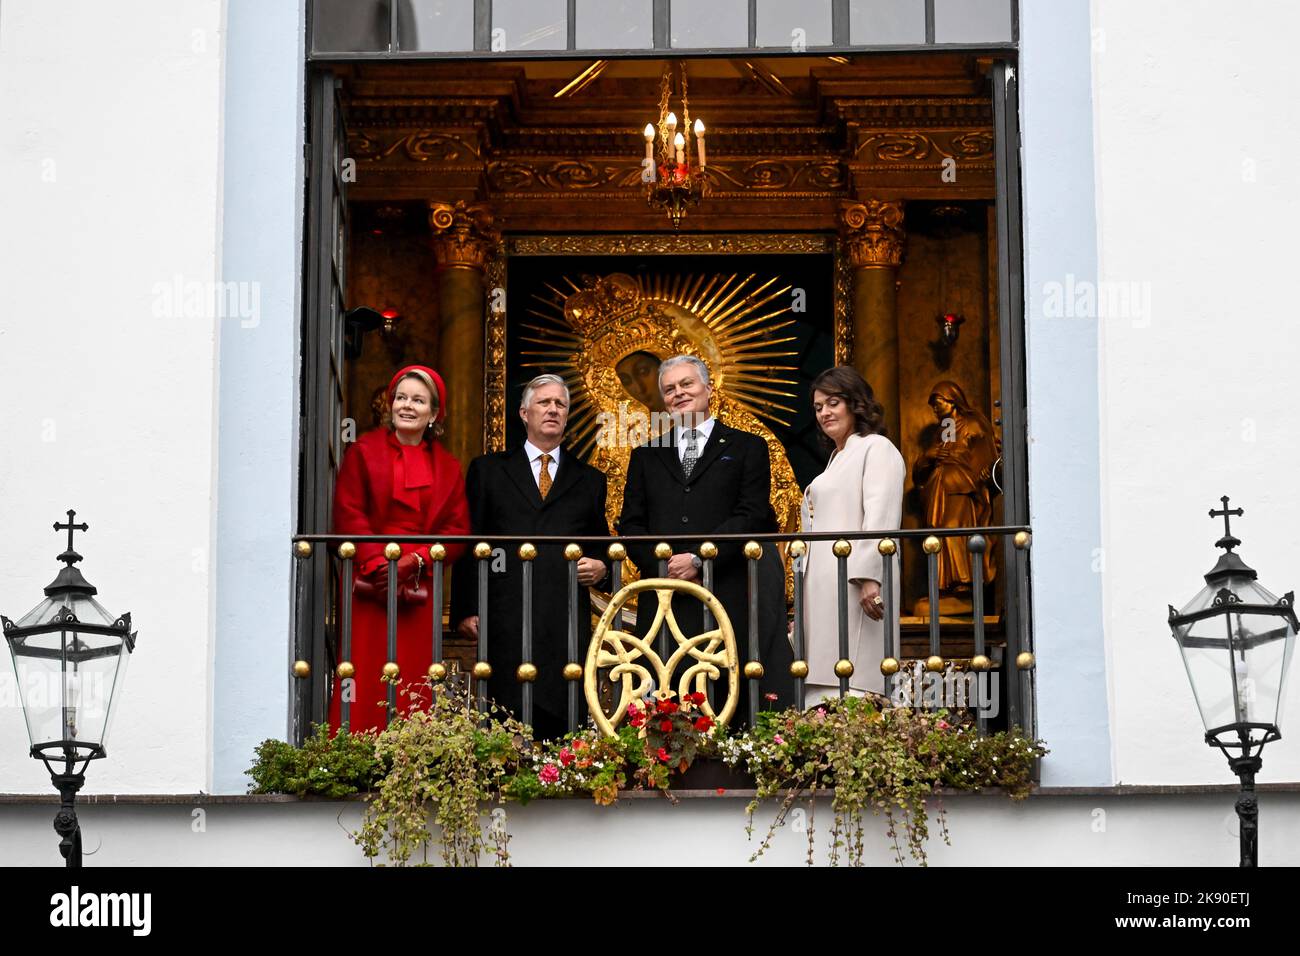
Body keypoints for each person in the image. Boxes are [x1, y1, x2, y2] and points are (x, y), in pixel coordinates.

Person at [617, 355, 793, 727]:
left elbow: (752, 514)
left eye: (686, 384)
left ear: (709, 389)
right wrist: (666, 565)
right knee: (667, 693)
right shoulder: (645, 456)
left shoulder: (748, 447)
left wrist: (699, 559)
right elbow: (631, 525)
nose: (678, 393)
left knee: (732, 687)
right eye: (669, 389)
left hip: (729, 588)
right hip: (666, 594)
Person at [451, 374, 610, 741]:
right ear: (524, 412)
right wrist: (465, 607)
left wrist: (601, 566)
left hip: (564, 615)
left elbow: (602, 546)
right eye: (544, 402)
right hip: (505, 612)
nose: (552, 409)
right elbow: (469, 540)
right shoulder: (488, 471)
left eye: (560, 404)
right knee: (503, 717)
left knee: (564, 717)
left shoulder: (589, 479)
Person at [329, 364, 471, 731]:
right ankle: (355, 753)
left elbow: (457, 529)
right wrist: (379, 564)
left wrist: (417, 561)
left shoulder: (448, 466)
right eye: (401, 398)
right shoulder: (362, 451)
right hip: (367, 582)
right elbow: (348, 512)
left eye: (418, 400)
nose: (407, 406)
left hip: (418, 587)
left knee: (413, 673)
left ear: (434, 413)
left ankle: (409, 760)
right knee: (363, 666)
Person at [800, 366, 905, 705]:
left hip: (856, 585)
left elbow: (881, 516)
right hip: (824, 589)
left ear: (855, 404)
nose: (824, 413)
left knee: (854, 680)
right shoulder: (837, 458)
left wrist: (870, 578)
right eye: (818, 407)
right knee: (823, 680)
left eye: (833, 402)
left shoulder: (877, 448)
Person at [911, 380, 998, 598]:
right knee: (937, 531)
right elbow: (922, 468)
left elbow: (989, 455)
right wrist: (929, 456)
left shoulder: (973, 423)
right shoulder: (943, 430)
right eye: (933, 405)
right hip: (939, 488)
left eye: (938, 403)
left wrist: (983, 478)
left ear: (952, 400)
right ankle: (944, 586)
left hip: (962, 486)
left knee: (953, 527)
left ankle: (964, 582)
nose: (935, 409)